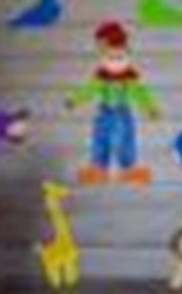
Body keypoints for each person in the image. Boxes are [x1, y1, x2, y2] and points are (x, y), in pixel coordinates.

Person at [65, 20, 162, 184]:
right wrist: (75, 100)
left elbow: (140, 93)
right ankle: (98, 167)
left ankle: (129, 168)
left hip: (122, 111)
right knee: (99, 137)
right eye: (110, 57)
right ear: (102, 56)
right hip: (104, 112)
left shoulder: (129, 78)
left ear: (126, 54)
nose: (114, 61)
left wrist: (150, 107)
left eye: (119, 57)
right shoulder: (101, 77)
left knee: (125, 138)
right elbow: (89, 89)